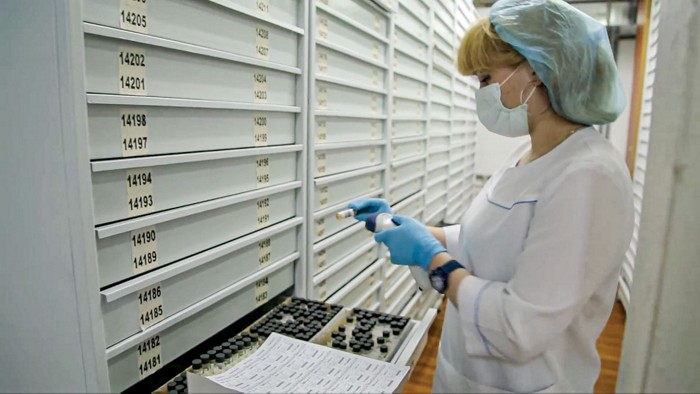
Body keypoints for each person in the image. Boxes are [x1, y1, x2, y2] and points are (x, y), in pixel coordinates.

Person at [348, 0, 634, 392]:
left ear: (536, 70)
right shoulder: (529, 155)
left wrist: (434, 261)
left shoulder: (589, 176)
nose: (480, 92)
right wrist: (413, 229)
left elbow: (521, 325)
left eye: (485, 79)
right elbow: (488, 241)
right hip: (465, 377)